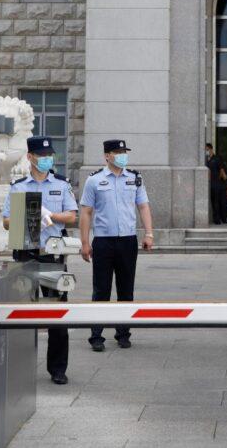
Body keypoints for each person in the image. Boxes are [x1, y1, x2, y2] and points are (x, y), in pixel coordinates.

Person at [2, 135, 78, 384]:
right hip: (25, 253)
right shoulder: (19, 186)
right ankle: (18, 368)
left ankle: (57, 369)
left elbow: (71, 217)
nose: (47, 159)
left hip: (52, 254)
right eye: (42, 156)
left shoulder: (61, 184)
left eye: (49, 156)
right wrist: (30, 214)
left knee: (56, 314)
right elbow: (6, 222)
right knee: (21, 315)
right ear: (30, 157)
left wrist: (52, 215)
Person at [79, 139, 153, 352]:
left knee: (126, 290)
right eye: (118, 152)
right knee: (101, 290)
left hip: (127, 241)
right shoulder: (94, 180)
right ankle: (96, 335)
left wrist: (149, 234)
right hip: (103, 241)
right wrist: (85, 243)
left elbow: (143, 206)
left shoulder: (134, 178)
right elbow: (86, 212)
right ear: (107, 156)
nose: (122, 155)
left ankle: (123, 333)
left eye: (124, 151)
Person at [204, 143, 227, 225]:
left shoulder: (216, 158)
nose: (206, 151)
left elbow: (221, 170)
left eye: (207, 149)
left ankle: (219, 219)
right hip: (210, 184)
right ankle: (216, 218)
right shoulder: (207, 160)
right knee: (213, 202)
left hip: (217, 184)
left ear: (211, 149)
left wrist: (219, 179)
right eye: (205, 150)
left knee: (217, 202)